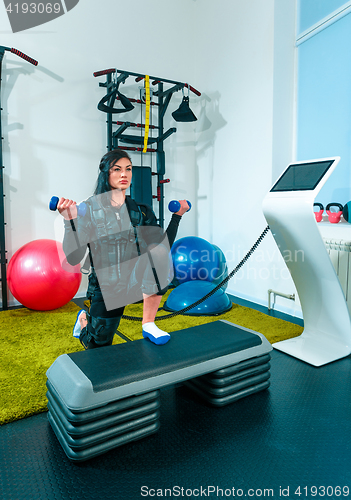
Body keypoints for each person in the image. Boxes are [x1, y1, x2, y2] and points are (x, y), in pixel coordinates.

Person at [58, 149, 189, 349]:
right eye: (117, 169)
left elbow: (163, 247)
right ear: (106, 174)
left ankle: (149, 323)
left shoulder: (140, 210)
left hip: (135, 279)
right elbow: (74, 257)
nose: (124, 174)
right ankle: (84, 322)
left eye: (128, 169)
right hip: (107, 287)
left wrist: (177, 216)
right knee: (98, 348)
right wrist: (70, 221)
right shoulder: (90, 209)